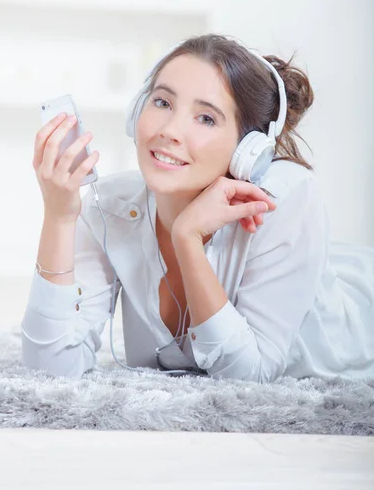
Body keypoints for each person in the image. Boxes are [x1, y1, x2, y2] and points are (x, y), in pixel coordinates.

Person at [21, 34, 374, 383]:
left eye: (206, 118)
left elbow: (250, 375)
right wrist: (59, 216)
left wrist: (187, 240)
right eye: (162, 103)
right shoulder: (111, 208)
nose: (170, 130)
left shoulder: (283, 200)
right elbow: (50, 367)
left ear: (248, 150)